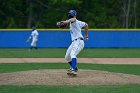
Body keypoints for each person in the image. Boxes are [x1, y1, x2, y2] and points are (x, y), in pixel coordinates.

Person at [58, 10, 88, 76]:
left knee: (73, 54)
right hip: (74, 42)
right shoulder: (77, 22)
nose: (69, 15)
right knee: (67, 57)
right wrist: (86, 35)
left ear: (74, 15)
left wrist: (66, 21)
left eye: (70, 14)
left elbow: (73, 19)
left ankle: (73, 70)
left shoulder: (74, 20)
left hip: (79, 41)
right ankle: (75, 68)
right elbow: (86, 25)